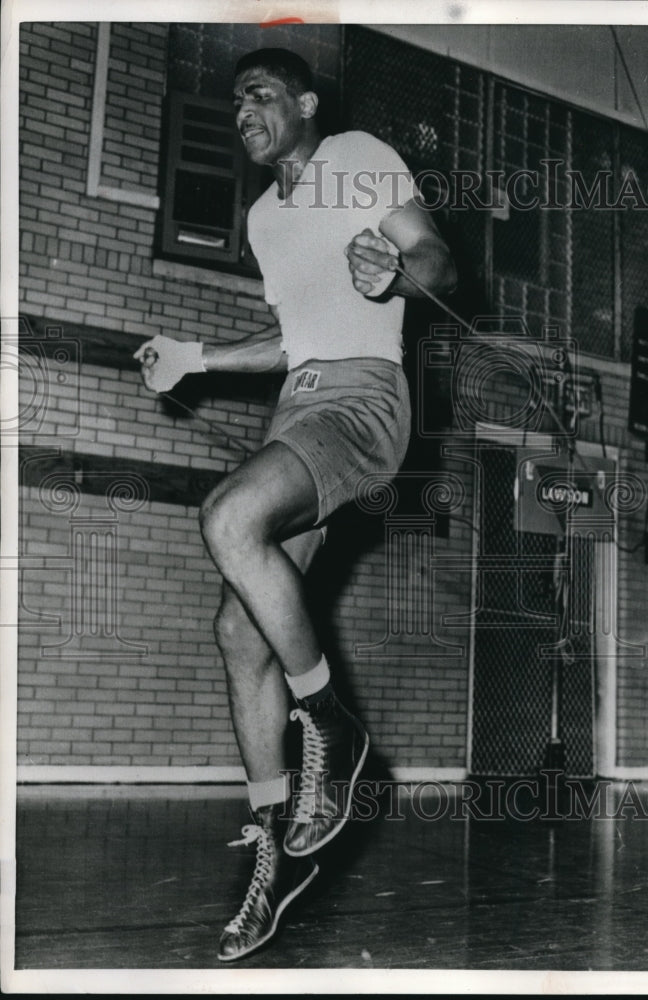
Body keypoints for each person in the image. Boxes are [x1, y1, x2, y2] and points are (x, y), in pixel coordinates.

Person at [134, 47, 456, 962]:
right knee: (239, 633)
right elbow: (289, 337)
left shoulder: (356, 156)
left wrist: (397, 275)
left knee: (229, 517)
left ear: (306, 104)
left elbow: (437, 257)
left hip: (362, 401)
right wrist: (198, 356)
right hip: (302, 402)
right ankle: (276, 853)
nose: (242, 107)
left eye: (260, 92)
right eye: (234, 99)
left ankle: (332, 721)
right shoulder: (266, 215)